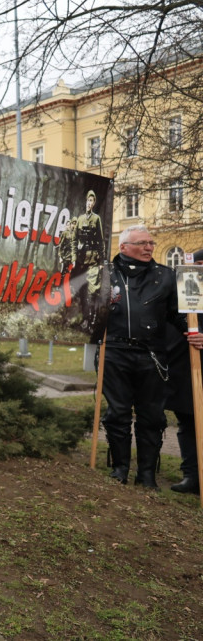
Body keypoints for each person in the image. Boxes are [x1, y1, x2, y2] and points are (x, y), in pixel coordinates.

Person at [101, 225, 186, 489]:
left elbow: (181, 314)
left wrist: (192, 331)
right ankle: (120, 469)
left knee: (152, 415)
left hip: (152, 356)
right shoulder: (103, 273)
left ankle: (147, 473)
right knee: (118, 413)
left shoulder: (167, 276)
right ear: (123, 247)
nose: (149, 247)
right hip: (113, 351)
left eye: (151, 242)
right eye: (142, 243)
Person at [165, 248, 203, 494]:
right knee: (189, 423)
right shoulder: (184, 291)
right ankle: (192, 476)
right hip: (187, 367)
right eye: (198, 265)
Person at [73, 190, 106, 327]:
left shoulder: (96, 219)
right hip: (81, 261)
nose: (89, 203)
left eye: (92, 201)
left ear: (94, 203)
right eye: (88, 200)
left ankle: (92, 320)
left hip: (93, 260)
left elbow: (100, 240)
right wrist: (74, 258)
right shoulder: (80, 219)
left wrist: (101, 261)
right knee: (82, 291)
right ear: (85, 202)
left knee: (92, 291)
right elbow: (74, 240)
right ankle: (86, 318)